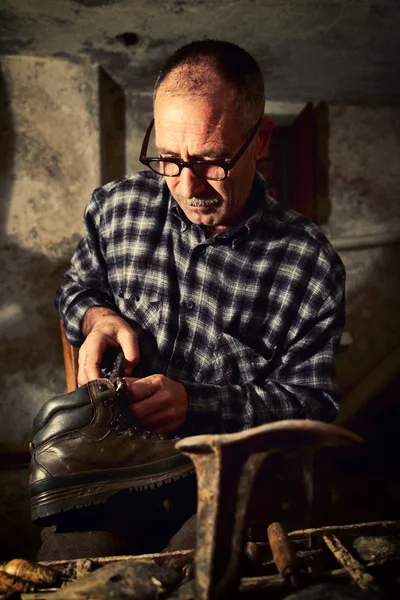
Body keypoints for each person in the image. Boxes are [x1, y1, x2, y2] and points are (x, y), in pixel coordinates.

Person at [41, 39, 345, 558]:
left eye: (211, 160)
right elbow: (77, 288)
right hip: (107, 466)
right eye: (168, 158)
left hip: (227, 479)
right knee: (74, 571)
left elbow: (312, 402)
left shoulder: (308, 263)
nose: (186, 184)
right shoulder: (115, 208)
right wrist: (96, 317)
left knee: (189, 570)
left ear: (261, 138)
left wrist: (196, 406)